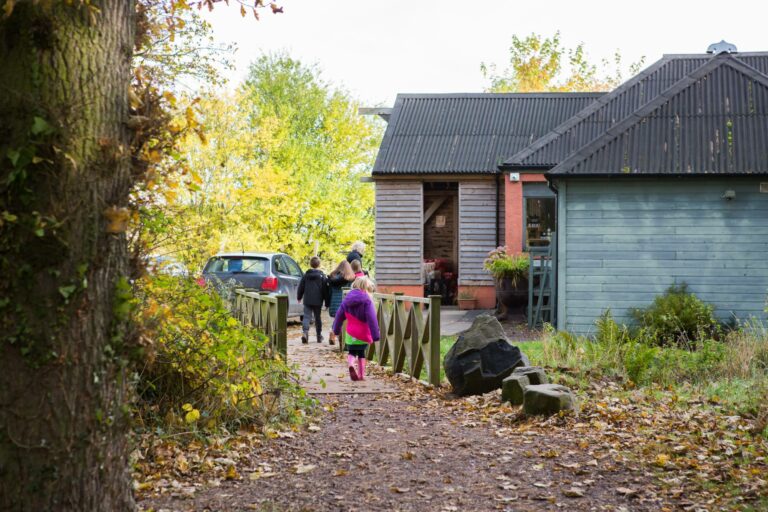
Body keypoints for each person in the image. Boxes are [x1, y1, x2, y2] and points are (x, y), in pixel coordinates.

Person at [332, 277, 380, 381]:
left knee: (352, 352)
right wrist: (375, 335)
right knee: (362, 353)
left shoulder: (346, 300)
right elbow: (372, 318)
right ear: (366, 287)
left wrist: (336, 330)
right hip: (363, 333)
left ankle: (351, 364)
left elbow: (339, 316)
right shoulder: (367, 300)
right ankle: (361, 375)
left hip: (350, 333)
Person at [297, 256, 329, 344]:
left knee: (306, 316)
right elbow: (325, 290)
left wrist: (299, 297)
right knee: (317, 317)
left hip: (307, 299)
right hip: (318, 300)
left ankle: (305, 333)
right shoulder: (322, 276)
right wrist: (327, 302)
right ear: (319, 264)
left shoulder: (306, 275)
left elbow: (301, 287)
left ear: (310, 264)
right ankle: (319, 336)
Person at [327, 260, 356, 345]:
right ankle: (341, 338)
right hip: (345, 302)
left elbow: (329, 292)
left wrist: (328, 303)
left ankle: (334, 333)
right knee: (344, 320)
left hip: (334, 302)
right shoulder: (351, 278)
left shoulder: (332, 277)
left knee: (337, 319)